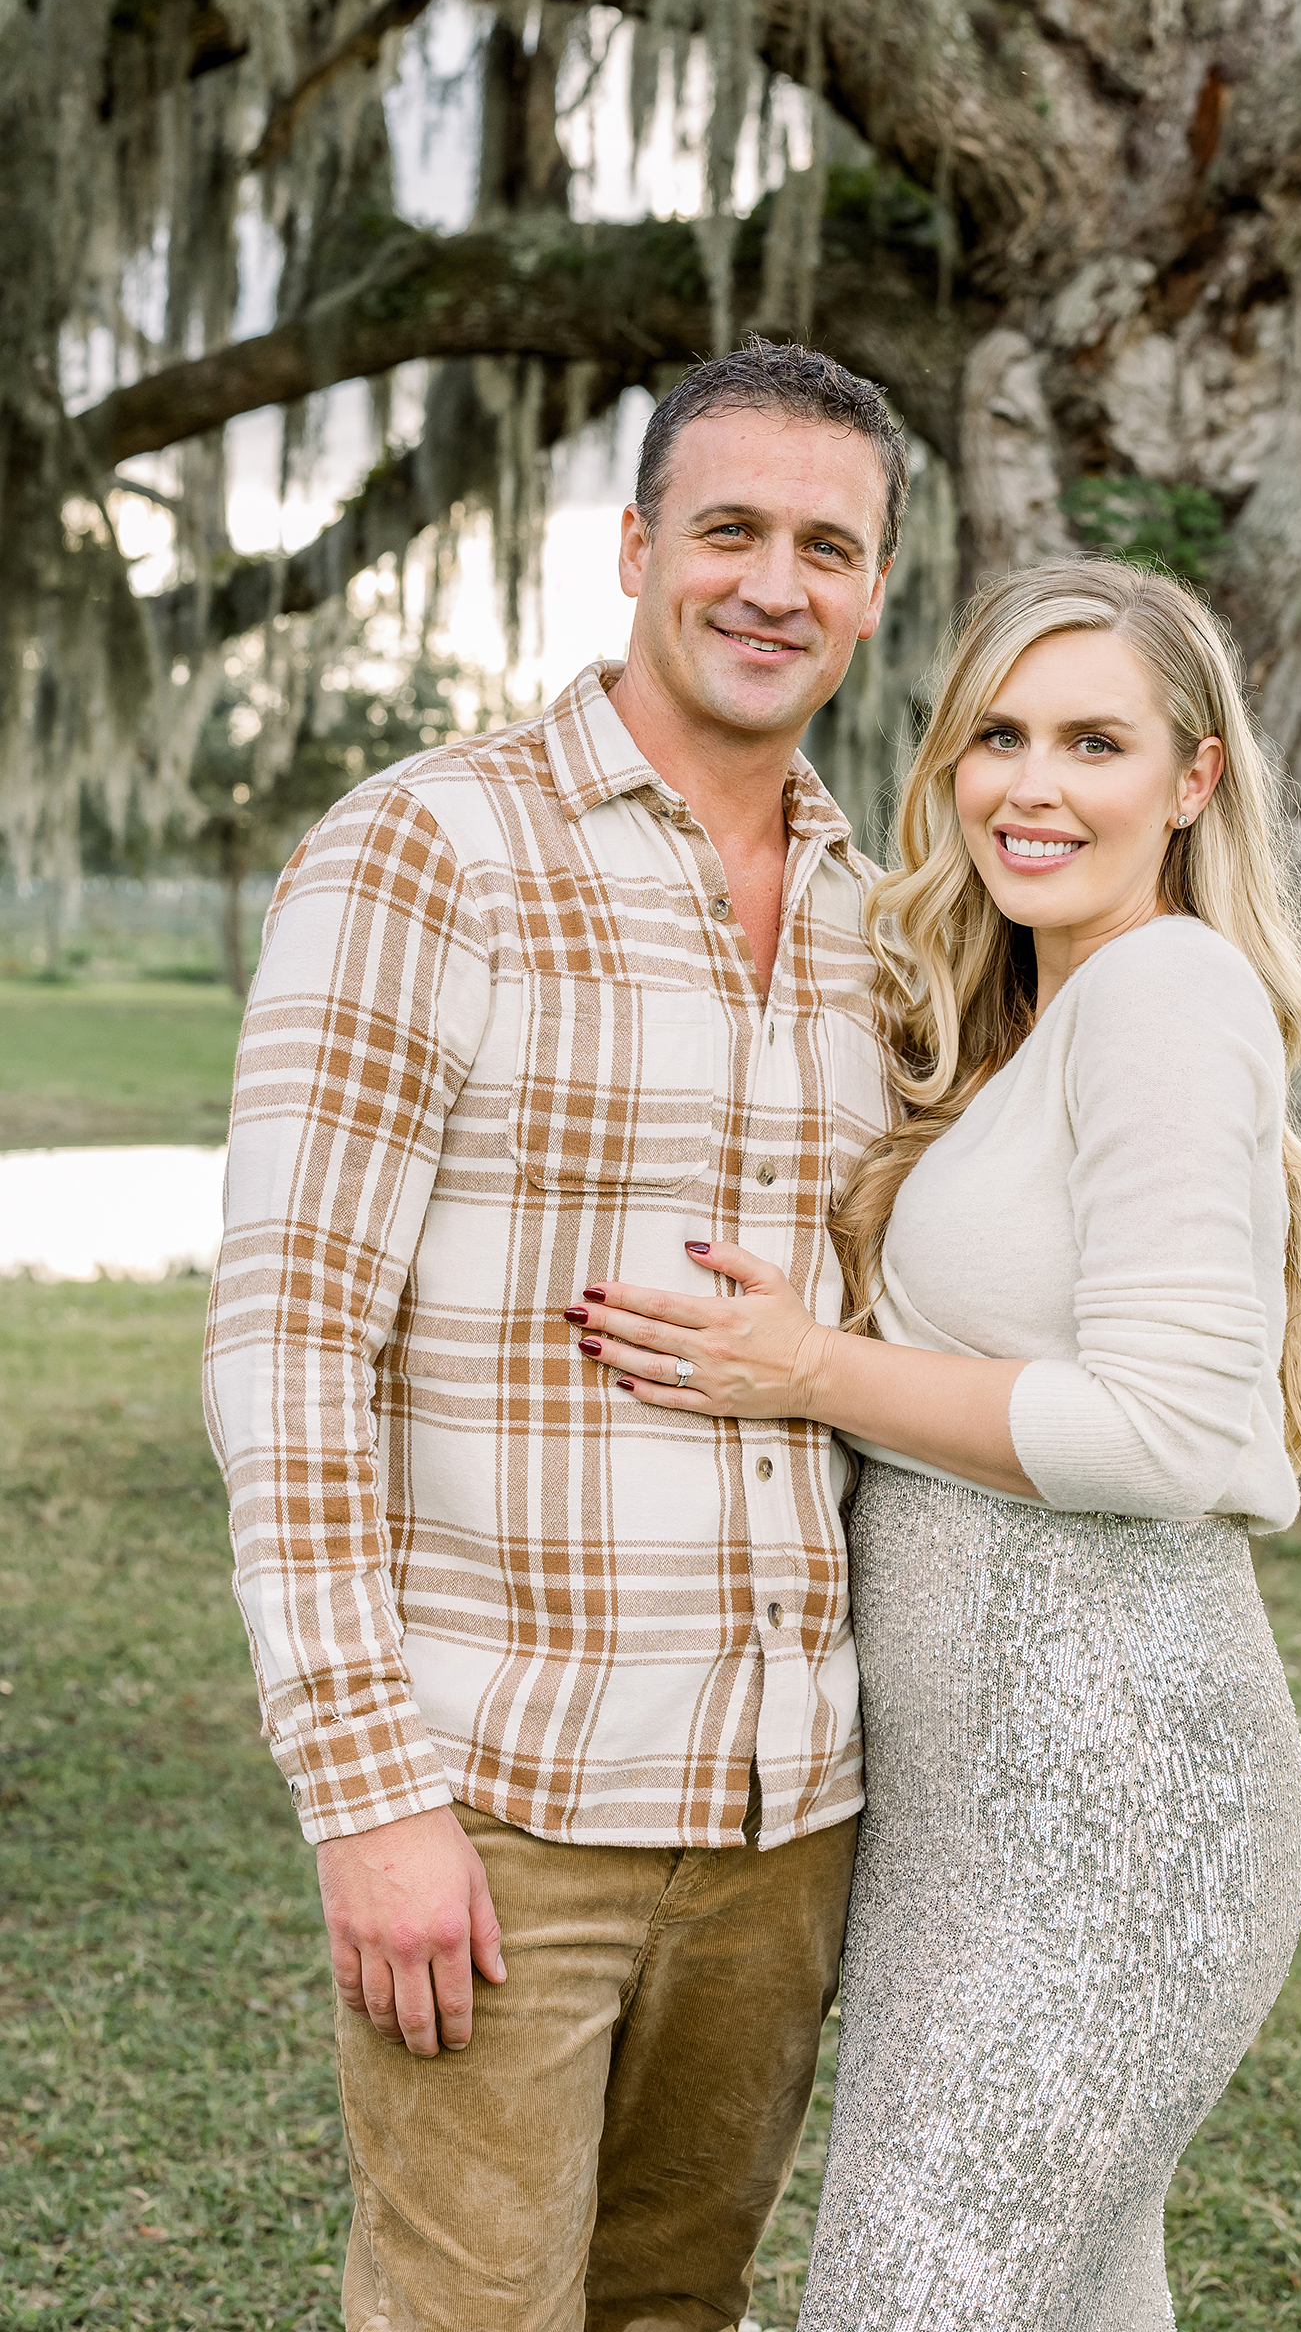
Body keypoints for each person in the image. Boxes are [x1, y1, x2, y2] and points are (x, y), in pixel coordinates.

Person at [203, 337, 907, 2332]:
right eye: (731, 530)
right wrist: (367, 1793)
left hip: (788, 1812)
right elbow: (285, 1338)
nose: (774, 584)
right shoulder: (431, 849)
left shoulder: (881, 915)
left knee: (674, 2310)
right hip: (505, 1801)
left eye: (826, 548)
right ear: (632, 547)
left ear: (870, 591)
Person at [566, 558, 1301, 2329]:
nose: (1032, 785)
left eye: (1095, 741)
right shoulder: (1038, 1020)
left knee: (915, 2301)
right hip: (973, 1817)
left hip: (1114, 1802)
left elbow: (1162, 1430)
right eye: (995, 734)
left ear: (1194, 780)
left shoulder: (1164, 994)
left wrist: (810, 1367)